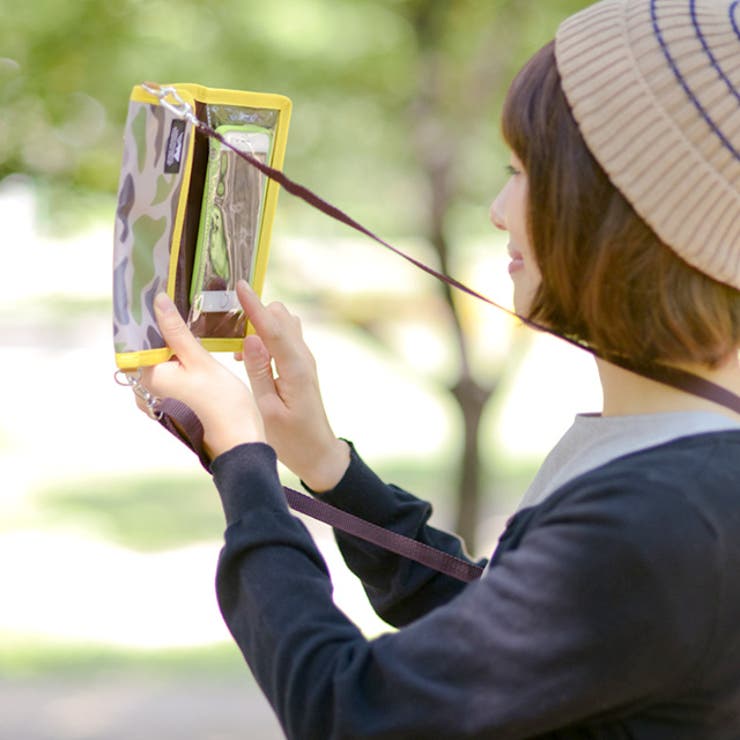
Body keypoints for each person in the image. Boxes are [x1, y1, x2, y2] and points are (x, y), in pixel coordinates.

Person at [139, 0, 740, 737]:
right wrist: (325, 464)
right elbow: (494, 630)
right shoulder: (681, 462)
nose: (497, 209)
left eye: (523, 173)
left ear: (617, 211)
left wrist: (243, 462)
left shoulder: (669, 515)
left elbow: (348, 712)